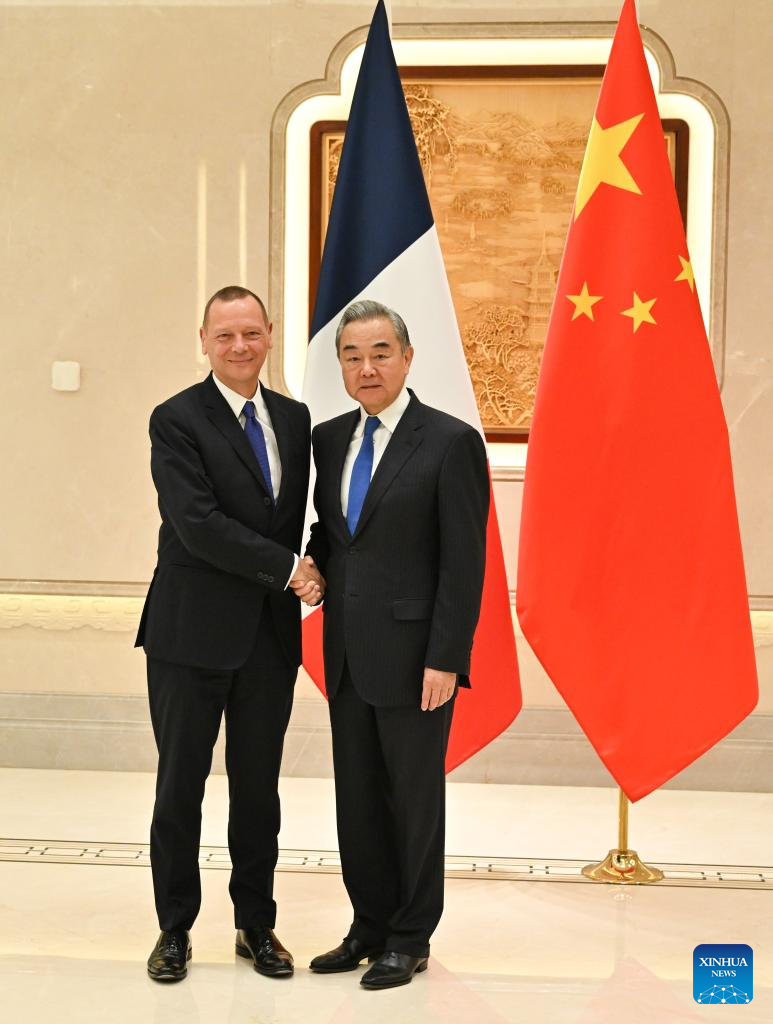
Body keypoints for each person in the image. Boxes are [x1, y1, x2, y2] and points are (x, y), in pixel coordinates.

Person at [298, 300, 489, 990]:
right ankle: (367, 925)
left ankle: (409, 936)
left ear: (406, 358)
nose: (366, 366)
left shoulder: (448, 441)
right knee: (356, 796)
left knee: (411, 798)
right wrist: (313, 565)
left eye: (380, 352)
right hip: (345, 651)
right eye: (351, 354)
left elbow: (462, 563)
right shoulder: (327, 438)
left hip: (416, 661)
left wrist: (446, 656)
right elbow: (335, 531)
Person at [136, 285, 323, 982]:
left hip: (267, 640)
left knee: (257, 790)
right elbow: (197, 523)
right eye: (225, 336)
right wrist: (289, 570)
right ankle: (174, 929)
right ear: (204, 341)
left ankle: (256, 925)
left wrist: (317, 567)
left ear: (270, 335)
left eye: (250, 333)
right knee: (179, 786)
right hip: (189, 634)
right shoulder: (176, 419)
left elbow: (304, 516)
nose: (239, 346)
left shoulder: (296, 419)